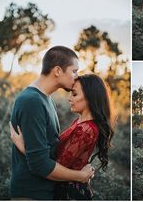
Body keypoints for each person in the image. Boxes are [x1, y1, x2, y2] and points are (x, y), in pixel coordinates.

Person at [11, 74, 113, 200]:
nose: (69, 98)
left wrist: (25, 149)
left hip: (69, 194)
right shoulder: (79, 122)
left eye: (74, 94)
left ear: (90, 98)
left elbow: (54, 165)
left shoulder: (86, 129)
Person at [10, 46, 94, 200]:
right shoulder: (31, 101)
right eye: (74, 71)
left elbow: (49, 151)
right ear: (57, 71)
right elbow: (39, 164)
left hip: (46, 192)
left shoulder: (47, 100)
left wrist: (26, 149)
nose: (76, 77)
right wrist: (80, 176)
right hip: (32, 194)